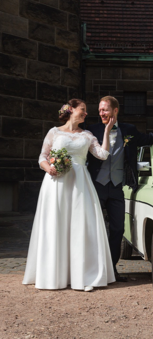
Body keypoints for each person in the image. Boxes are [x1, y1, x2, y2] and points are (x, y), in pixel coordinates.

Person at [87, 96, 153, 281]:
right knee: (92, 228)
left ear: (115, 111)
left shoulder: (129, 130)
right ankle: (91, 270)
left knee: (117, 229)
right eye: (100, 110)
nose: (101, 113)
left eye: (105, 110)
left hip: (117, 188)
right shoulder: (92, 130)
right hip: (95, 186)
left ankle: (111, 269)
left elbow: (149, 138)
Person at [23, 99, 116, 291]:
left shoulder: (88, 135)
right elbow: (42, 156)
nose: (85, 114)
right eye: (83, 110)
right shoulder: (54, 132)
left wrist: (107, 131)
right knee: (55, 224)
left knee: (80, 226)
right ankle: (53, 274)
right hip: (56, 183)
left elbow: (103, 154)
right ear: (71, 110)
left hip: (80, 183)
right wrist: (49, 168)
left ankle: (82, 275)